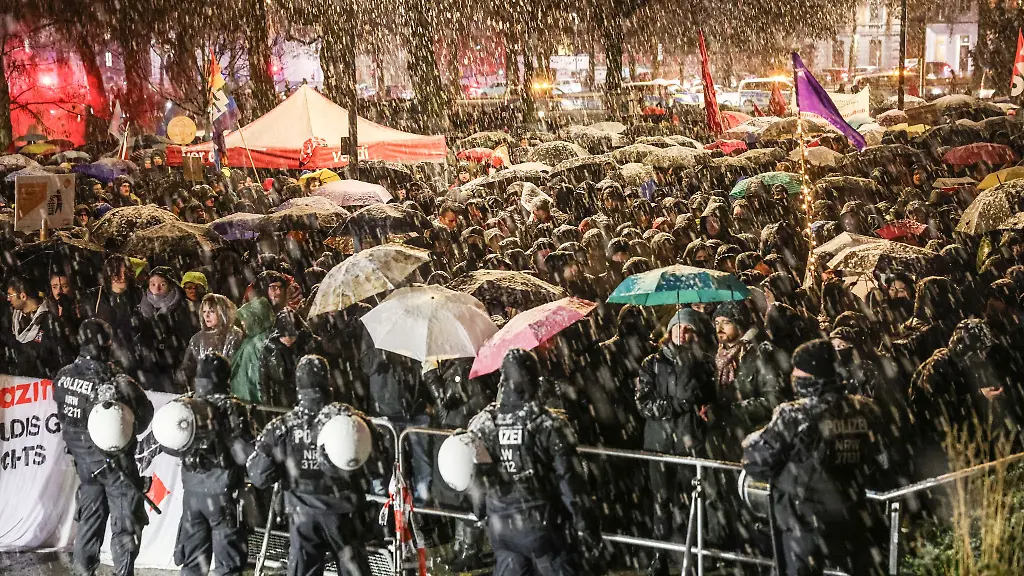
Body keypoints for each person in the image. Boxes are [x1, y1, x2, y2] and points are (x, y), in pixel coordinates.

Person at [742, 339, 887, 576]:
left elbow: (756, 460)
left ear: (812, 374)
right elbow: (881, 457)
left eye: (798, 369)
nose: (794, 374)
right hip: (852, 516)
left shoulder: (795, 415)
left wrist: (752, 441)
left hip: (803, 522)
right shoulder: (865, 411)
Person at [467, 349, 602, 576]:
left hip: (502, 529)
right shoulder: (548, 424)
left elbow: (473, 479)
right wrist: (585, 526)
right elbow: (570, 482)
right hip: (544, 528)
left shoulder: (483, 424)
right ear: (534, 380)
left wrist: (482, 511)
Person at [247, 355, 375, 576]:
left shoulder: (284, 426)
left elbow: (259, 476)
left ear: (298, 386)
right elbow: (377, 459)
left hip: (302, 514)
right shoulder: (350, 419)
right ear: (328, 382)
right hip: (343, 512)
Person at [53, 319, 154, 576]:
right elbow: (143, 417)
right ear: (106, 343)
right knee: (125, 527)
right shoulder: (115, 380)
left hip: (85, 466)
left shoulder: (63, 376)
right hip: (116, 465)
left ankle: (83, 571)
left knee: (89, 522)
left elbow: (65, 416)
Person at [635, 308, 716, 575]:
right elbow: (644, 403)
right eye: (678, 327)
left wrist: (706, 409)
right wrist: (674, 405)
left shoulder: (703, 363)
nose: (683, 332)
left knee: (687, 502)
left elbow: (709, 398)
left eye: (688, 328)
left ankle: (688, 556)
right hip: (659, 444)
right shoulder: (652, 363)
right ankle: (659, 556)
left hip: (688, 442)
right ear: (669, 332)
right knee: (661, 502)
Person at [159, 353, 254, 576]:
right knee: (228, 566)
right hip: (223, 498)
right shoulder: (231, 408)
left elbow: (167, 444)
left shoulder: (184, 405)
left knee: (193, 564)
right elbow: (243, 455)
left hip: (192, 497)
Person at [136, 267, 198, 393]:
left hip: (174, 372)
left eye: (162, 284)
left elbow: (189, 340)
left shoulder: (184, 307)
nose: (156, 289)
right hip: (148, 372)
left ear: (170, 285)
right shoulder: (140, 308)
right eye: (152, 284)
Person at [5, 275, 75, 378]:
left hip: (44, 386)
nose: (8, 299)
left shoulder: (50, 321)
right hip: (21, 386)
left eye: (10, 295)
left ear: (23, 296)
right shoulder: (12, 320)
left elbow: (64, 359)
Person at [178, 294, 243, 385]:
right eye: (204, 311)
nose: (206, 315)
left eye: (211, 311)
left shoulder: (234, 335)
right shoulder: (197, 339)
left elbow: (237, 366)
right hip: (203, 390)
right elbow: (187, 367)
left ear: (222, 312)